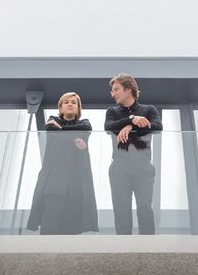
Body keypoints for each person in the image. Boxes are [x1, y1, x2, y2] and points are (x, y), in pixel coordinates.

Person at [26, 92, 98, 235]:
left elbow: (83, 130)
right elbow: (53, 132)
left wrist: (62, 131)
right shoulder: (52, 120)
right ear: (61, 108)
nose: (70, 104)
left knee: (73, 225)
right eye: (66, 102)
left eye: (73, 102)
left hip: (76, 182)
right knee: (50, 222)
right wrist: (73, 139)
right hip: (54, 182)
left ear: (78, 108)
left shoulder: (85, 123)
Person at [105, 73, 161, 234]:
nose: (112, 93)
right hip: (119, 168)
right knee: (121, 209)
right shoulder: (112, 111)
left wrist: (131, 127)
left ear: (128, 89)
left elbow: (158, 126)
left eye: (116, 89)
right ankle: (123, 249)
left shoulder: (149, 110)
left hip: (143, 167)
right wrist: (131, 119)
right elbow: (109, 127)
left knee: (144, 207)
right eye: (112, 90)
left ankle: (148, 248)